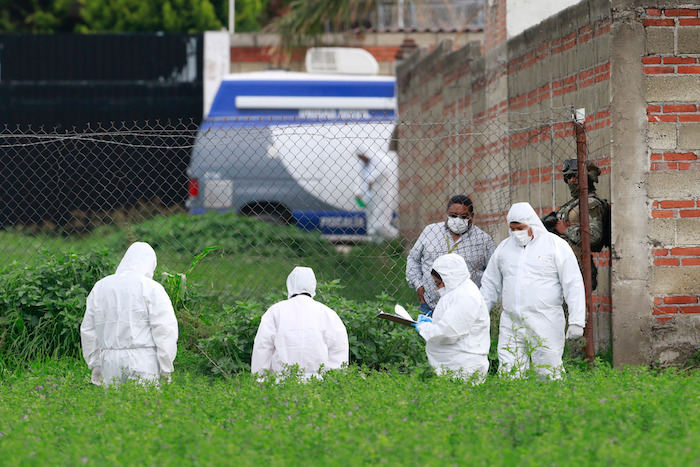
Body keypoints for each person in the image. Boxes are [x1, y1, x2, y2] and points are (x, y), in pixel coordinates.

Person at [480, 202, 585, 380]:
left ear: (532, 225)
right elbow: (490, 285)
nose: (516, 233)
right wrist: (479, 314)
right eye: (512, 228)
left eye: (520, 228)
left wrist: (577, 320)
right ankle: (511, 405)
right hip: (512, 321)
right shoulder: (504, 248)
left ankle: (553, 405)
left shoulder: (555, 246)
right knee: (509, 371)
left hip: (545, 320)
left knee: (548, 371)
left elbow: (573, 283)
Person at [80, 242, 179, 387]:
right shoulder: (150, 287)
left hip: (109, 360)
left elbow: (89, 329)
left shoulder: (101, 286)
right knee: (144, 406)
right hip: (143, 359)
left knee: (115, 407)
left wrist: (95, 363)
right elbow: (164, 329)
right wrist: (166, 366)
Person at [251, 266, 349, 380]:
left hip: (281, 383)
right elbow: (339, 350)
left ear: (289, 285)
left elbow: (263, 347)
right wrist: (334, 381)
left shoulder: (275, 311)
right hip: (319, 385)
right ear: (313, 286)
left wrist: (260, 381)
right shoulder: (328, 314)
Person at [406, 195, 496, 315]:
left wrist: (482, 301)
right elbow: (413, 259)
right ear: (447, 214)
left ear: (472, 216)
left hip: (465, 310)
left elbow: (493, 274)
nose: (457, 220)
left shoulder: (483, 241)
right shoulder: (430, 232)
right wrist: (419, 286)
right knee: (426, 333)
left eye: (463, 216)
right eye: (453, 215)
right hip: (430, 305)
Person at [413, 254, 491, 383]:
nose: (438, 288)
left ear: (450, 278)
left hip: (464, 366)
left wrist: (426, 328)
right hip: (456, 364)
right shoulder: (457, 291)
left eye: (439, 283)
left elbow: (449, 331)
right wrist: (432, 324)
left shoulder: (466, 295)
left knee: (461, 401)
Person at [542, 160, 605, 290]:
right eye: (568, 177)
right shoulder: (574, 203)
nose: (571, 180)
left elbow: (595, 236)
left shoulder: (591, 203)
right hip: (561, 266)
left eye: (575, 176)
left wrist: (566, 230)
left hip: (578, 269)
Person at [354, 143, 399, 241]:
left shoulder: (381, 159)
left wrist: (371, 180)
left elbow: (382, 169)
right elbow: (360, 179)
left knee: (380, 225)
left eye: (362, 157)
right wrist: (358, 192)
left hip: (383, 196)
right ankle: (376, 248)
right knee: (371, 227)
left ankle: (399, 239)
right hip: (370, 199)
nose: (362, 159)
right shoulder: (364, 165)